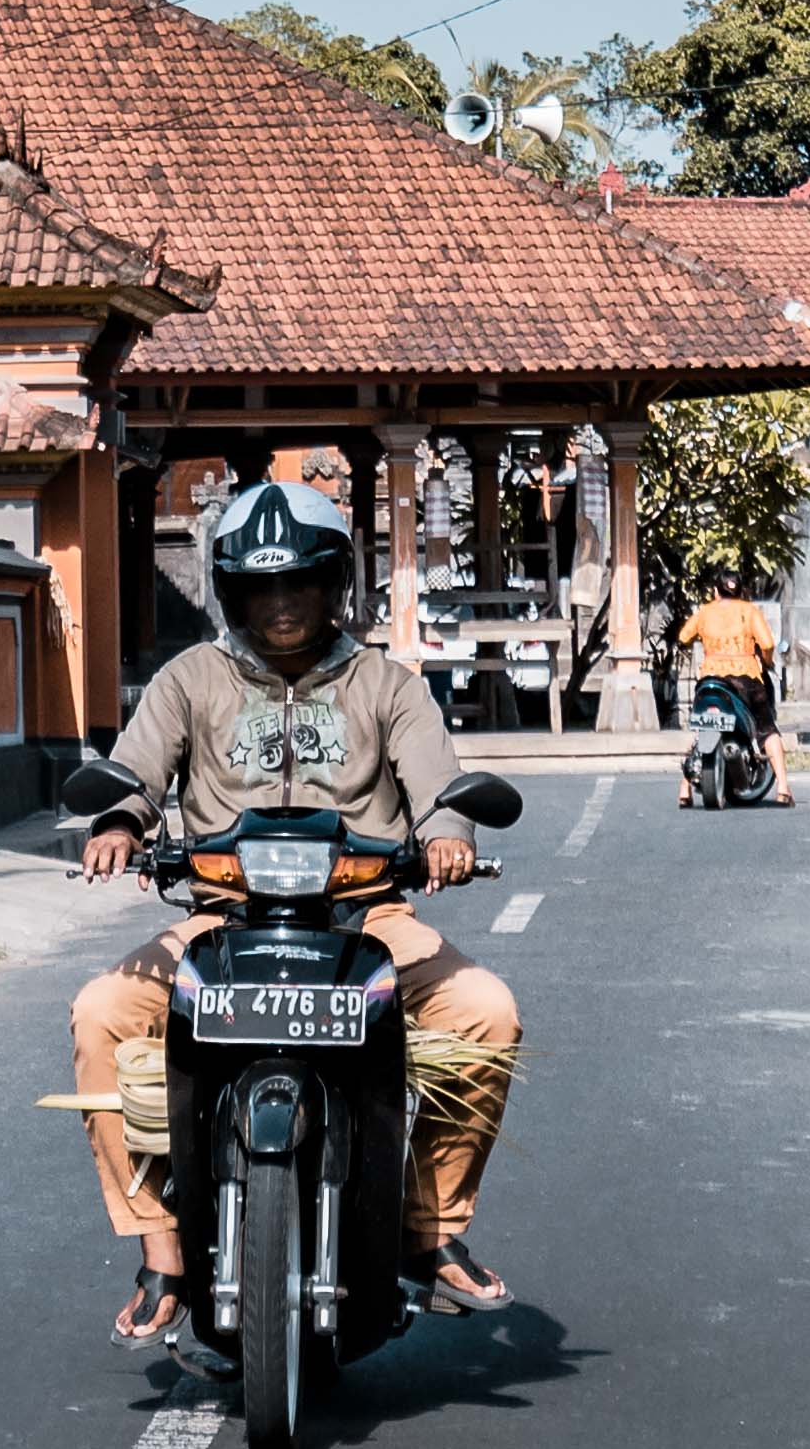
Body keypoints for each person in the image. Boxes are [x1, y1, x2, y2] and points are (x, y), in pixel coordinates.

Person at [67, 476, 525, 1338]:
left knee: (486, 1013)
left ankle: (431, 1230)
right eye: (261, 586)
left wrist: (447, 834)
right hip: (222, 919)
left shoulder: (385, 682)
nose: (282, 604)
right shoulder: (189, 678)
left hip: (369, 919)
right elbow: (136, 773)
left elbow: (438, 785)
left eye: (301, 583)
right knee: (100, 1013)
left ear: (334, 583)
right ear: (230, 589)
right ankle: (162, 1250)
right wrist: (122, 822)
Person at [672, 580, 781, 802]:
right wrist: (767, 662)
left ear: (715, 591)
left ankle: (685, 789)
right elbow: (768, 644)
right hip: (745, 678)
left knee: (703, 728)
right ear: (741, 591)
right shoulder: (749, 611)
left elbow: (683, 637)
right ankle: (784, 789)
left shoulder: (704, 611)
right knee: (767, 729)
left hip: (711, 679)